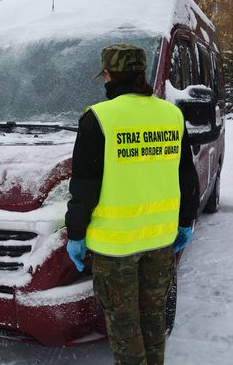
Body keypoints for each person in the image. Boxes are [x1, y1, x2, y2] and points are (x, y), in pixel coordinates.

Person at [65, 43, 199, 365]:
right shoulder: (171, 115)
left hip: (115, 249)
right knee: (154, 319)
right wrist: (185, 222)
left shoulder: (98, 118)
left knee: (125, 329)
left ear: (109, 76)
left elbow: (85, 188)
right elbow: (187, 177)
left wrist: (76, 234)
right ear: (141, 74)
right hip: (161, 243)